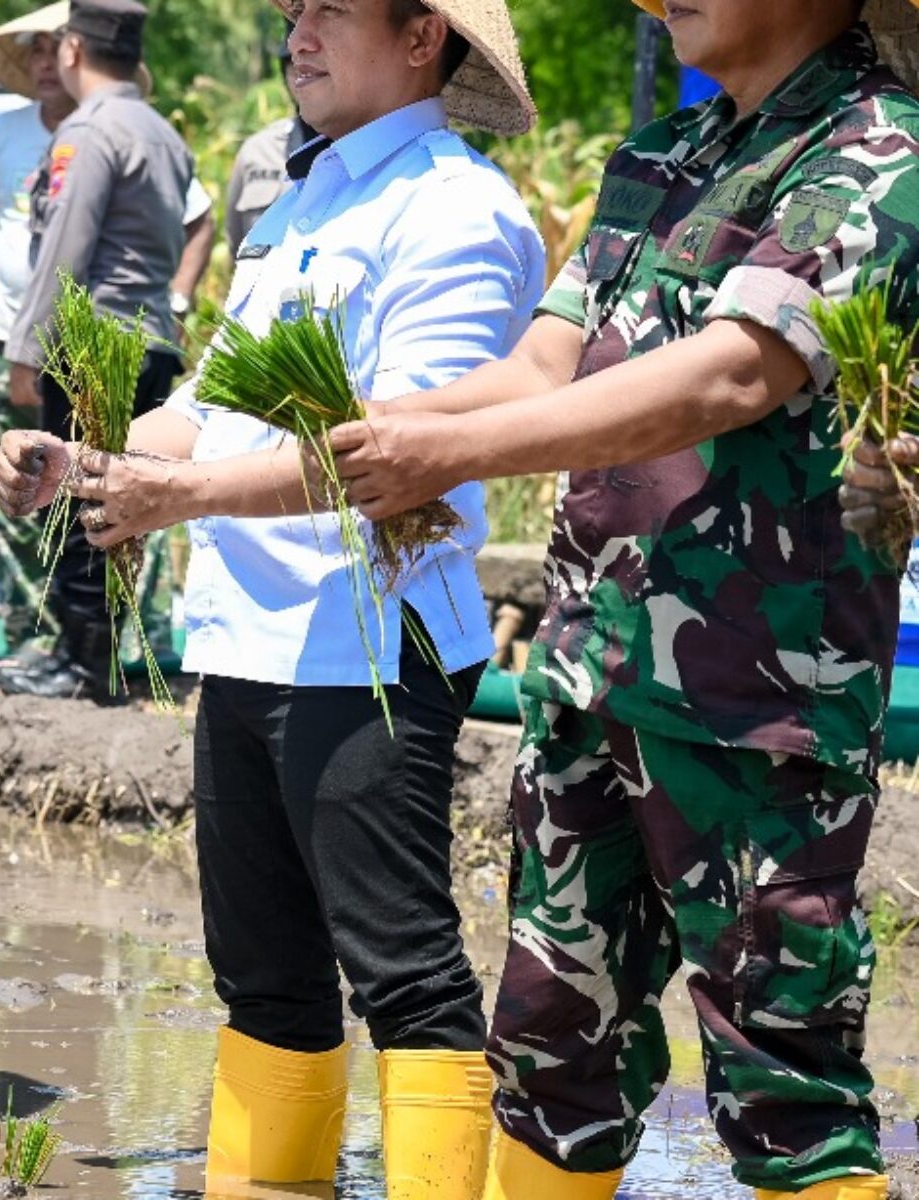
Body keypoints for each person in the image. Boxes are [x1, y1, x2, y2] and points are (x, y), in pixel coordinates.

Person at [323, 2, 919, 1195]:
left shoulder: (879, 150)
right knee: (547, 1047)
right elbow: (546, 364)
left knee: (781, 1082)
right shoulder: (659, 158)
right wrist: (373, 422)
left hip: (758, 705)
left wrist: (450, 461)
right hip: (592, 673)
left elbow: (733, 373)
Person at [0, 0, 536, 1194]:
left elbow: (398, 454)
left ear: (420, 39)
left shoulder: (457, 210)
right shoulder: (302, 200)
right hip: (245, 636)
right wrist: (90, 458)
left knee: (400, 966)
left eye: (328, 11)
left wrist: (173, 501)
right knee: (262, 969)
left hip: (367, 641)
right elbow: (208, 412)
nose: (296, 33)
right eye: (292, 12)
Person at [0, 2, 213, 656]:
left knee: (77, 507)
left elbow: (63, 256)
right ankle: (103, 658)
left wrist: (25, 353)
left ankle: (77, 660)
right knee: (119, 508)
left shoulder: (87, 131)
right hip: (151, 340)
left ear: (72, 50)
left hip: (92, 343)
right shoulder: (163, 133)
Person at [224, 26, 302, 257]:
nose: (304, 75)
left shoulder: (367, 149)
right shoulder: (258, 150)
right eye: (295, 67)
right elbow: (236, 242)